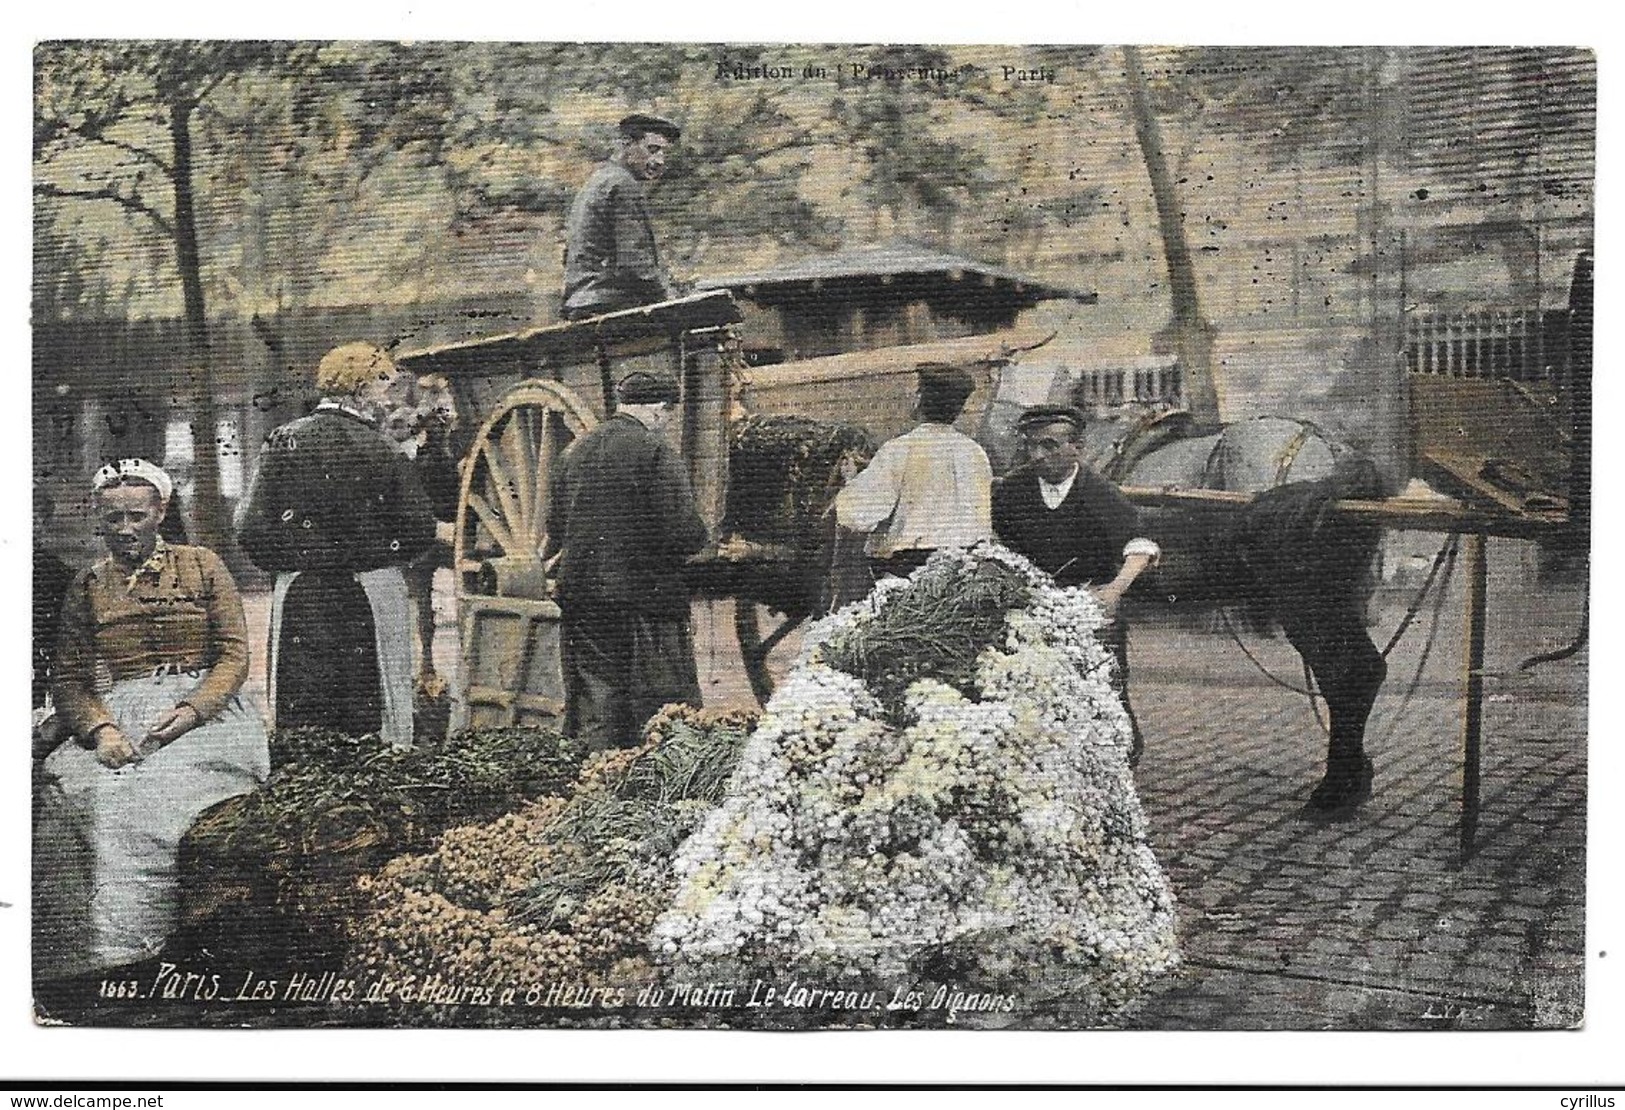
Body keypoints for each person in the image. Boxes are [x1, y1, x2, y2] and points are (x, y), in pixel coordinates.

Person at [35, 459, 270, 981]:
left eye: (136, 517)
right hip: (122, 713)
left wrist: (191, 710)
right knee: (83, 796)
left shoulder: (203, 565)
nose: (125, 531)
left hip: (207, 714)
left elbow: (234, 656)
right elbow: (70, 678)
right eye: (112, 520)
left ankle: (162, 947)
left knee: (166, 796)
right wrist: (101, 730)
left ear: (160, 512)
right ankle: (103, 955)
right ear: (99, 520)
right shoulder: (89, 584)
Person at [236, 343, 437, 748]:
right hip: (371, 594)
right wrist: (377, 557)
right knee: (372, 710)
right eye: (383, 385)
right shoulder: (383, 450)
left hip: (301, 594)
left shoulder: (283, 441)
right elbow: (419, 528)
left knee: (304, 707)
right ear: (360, 389)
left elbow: (250, 528)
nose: (389, 398)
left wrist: (295, 563)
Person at [543, 369, 708, 750]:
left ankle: (597, 779)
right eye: (667, 414)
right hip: (645, 601)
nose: (665, 422)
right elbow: (684, 532)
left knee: (598, 697)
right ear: (656, 409)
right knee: (660, 701)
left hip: (582, 598)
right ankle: (653, 783)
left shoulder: (573, 452)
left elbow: (555, 526)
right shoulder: (656, 453)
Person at [992, 404, 1161, 763]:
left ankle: (1120, 756)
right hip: (1031, 609)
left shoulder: (1099, 491)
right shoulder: (1011, 491)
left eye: (1050, 446)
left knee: (1106, 691)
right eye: (1031, 446)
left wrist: (1114, 590)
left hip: (1090, 608)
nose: (1038, 455)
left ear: (1077, 448)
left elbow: (1139, 546)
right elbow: (995, 545)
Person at [834, 362, 994, 579]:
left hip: (910, 567)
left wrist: (850, 480)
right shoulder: (975, 453)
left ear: (919, 400)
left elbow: (858, 516)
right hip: (966, 567)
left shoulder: (900, 449)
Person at [561, 113, 682, 320]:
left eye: (664, 153)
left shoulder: (599, 180)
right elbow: (635, 264)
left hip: (583, 300)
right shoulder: (622, 185)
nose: (659, 161)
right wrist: (670, 299)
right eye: (652, 150)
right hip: (608, 303)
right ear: (627, 144)